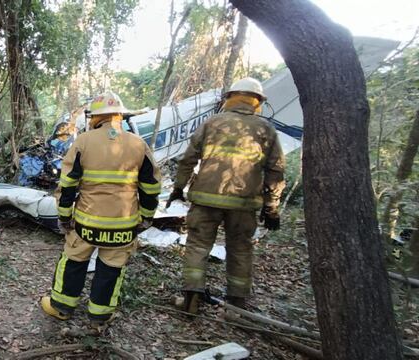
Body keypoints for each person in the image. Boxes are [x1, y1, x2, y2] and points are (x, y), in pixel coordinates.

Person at [39, 91, 161, 330]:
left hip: (86, 223)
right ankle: (100, 316)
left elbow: (67, 186)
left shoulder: (83, 142)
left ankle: (62, 307)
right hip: (124, 225)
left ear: (95, 118)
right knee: (111, 268)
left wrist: (65, 218)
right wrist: (146, 217)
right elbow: (151, 187)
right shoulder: (138, 144)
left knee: (74, 261)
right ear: (119, 116)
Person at [168, 77, 286, 313]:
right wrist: (271, 208)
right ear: (258, 102)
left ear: (229, 98)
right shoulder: (266, 130)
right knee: (241, 250)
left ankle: (191, 301)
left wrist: (178, 188)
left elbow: (188, 159)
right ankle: (236, 308)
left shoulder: (212, 123)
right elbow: (276, 170)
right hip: (244, 204)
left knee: (198, 247)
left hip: (205, 200)